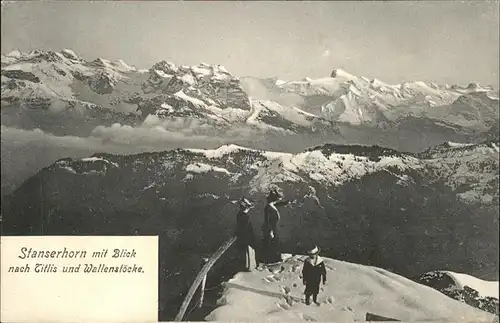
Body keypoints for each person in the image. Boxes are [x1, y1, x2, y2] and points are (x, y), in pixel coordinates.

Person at [261, 189, 289, 264]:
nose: (277, 201)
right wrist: (270, 231)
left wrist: (285, 203)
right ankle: (273, 259)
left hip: (274, 227)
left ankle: (275, 257)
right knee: (273, 243)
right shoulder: (268, 208)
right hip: (271, 228)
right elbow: (267, 220)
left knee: (275, 242)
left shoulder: (271, 205)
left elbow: (278, 204)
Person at [235, 197, 257, 271]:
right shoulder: (245, 216)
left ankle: (248, 266)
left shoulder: (240, 214)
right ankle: (250, 267)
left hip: (244, 238)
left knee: (247, 253)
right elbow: (246, 229)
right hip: (248, 238)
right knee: (249, 252)